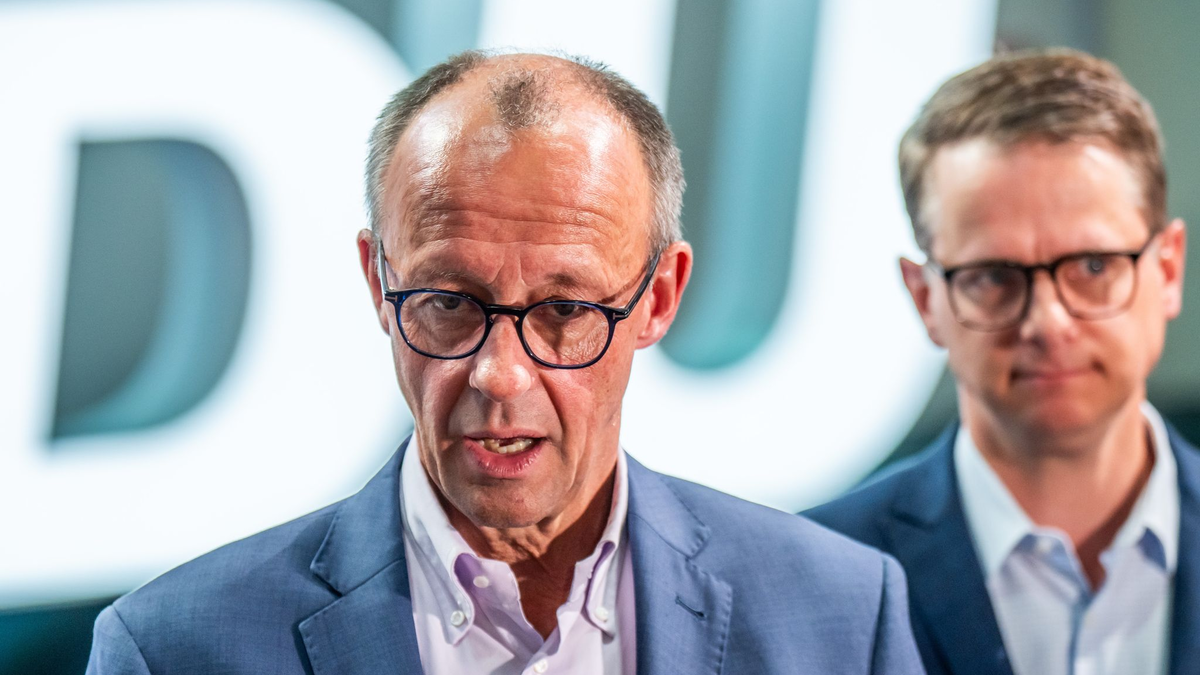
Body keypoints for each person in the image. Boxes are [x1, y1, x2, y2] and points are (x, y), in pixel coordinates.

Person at [87, 50, 925, 674]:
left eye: (564, 310)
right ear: (379, 281)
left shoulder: (843, 616)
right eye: (449, 302)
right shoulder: (173, 648)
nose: (500, 374)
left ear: (660, 297)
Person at [806, 49, 1198, 675]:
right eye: (993, 276)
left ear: (1169, 269)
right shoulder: (804, 580)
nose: (1047, 321)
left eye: (1093, 265)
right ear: (926, 299)